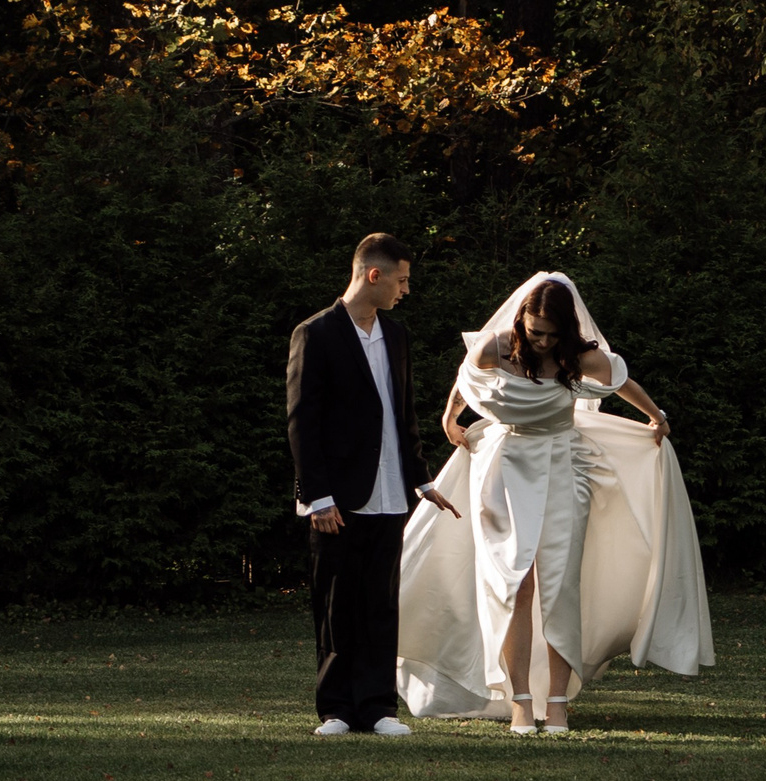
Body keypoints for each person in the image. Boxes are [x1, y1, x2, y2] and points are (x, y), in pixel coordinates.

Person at [395, 272, 712, 734]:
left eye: (550, 334)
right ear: (521, 320)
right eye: (533, 331)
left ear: (567, 331)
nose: (540, 341)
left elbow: (622, 381)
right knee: (512, 585)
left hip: (563, 466)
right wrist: (449, 417)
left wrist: (656, 417)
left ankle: (559, 701)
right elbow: (467, 378)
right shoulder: (496, 347)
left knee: (560, 584)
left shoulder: (582, 358)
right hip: (504, 470)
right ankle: (521, 699)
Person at [287, 234, 463, 737]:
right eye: (402, 279)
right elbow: (303, 421)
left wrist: (423, 481)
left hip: (391, 494)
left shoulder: (398, 335)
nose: (406, 289)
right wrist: (316, 495)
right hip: (335, 499)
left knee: (381, 603)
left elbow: (402, 414)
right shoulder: (315, 334)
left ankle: (379, 707)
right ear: (374, 275)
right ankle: (337, 710)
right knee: (336, 604)